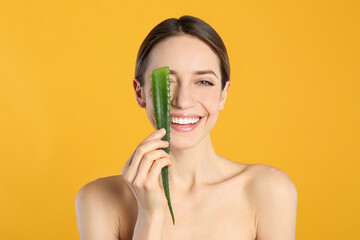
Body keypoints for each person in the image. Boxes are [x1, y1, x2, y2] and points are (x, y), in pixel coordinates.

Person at [75, 15, 297, 240]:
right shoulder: (98, 199)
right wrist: (150, 215)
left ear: (223, 94)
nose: (182, 101)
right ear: (139, 92)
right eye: (166, 81)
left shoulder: (269, 191)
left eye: (203, 82)